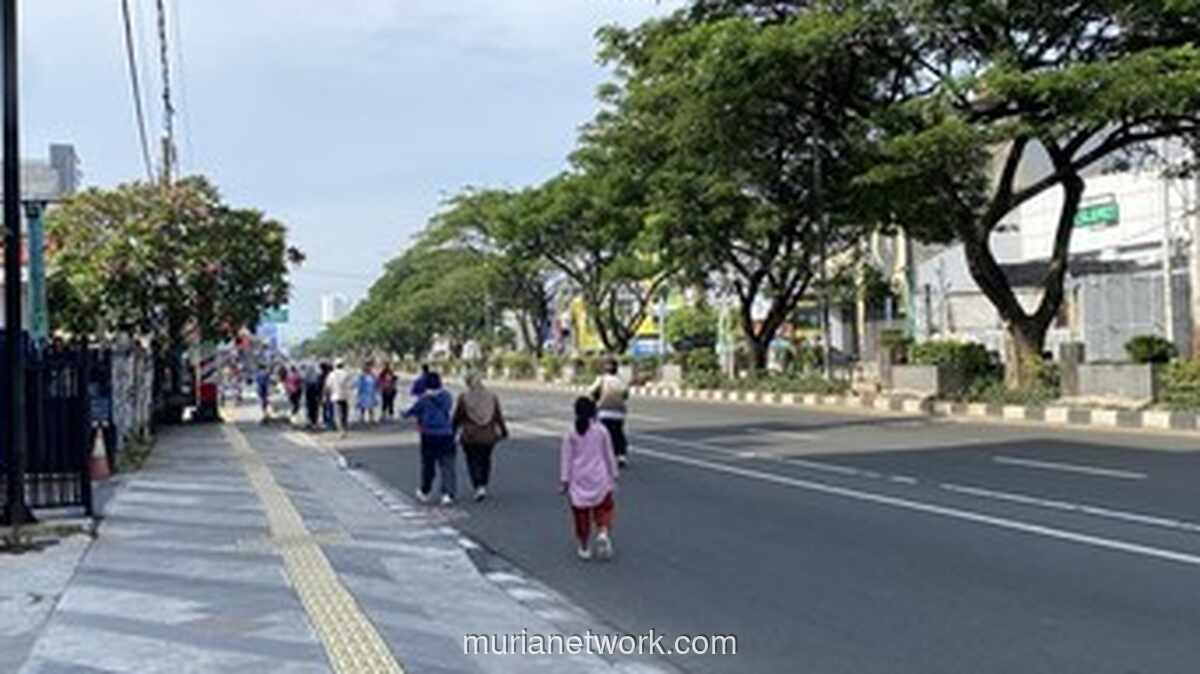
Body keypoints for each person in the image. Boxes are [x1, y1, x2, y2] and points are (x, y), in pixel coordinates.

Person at [560, 397, 618, 561]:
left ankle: (584, 546)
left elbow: (566, 459)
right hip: (599, 477)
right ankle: (603, 531)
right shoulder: (601, 430)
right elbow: (608, 454)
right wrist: (613, 475)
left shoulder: (570, 433)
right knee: (604, 508)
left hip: (579, 479)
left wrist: (565, 481)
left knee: (581, 514)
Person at [452, 371, 508, 501]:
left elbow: (457, 417)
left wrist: (452, 430)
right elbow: (498, 416)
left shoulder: (464, 397)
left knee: (472, 460)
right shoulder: (492, 396)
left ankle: (478, 485)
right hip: (488, 434)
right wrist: (503, 431)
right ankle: (483, 483)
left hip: (470, 435)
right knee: (485, 459)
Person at [403, 372, 457, 505]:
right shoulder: (447, 396)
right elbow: (448, 409)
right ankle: (447, 493)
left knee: (428, 466)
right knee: (447, 465)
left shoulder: (423, 399)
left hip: (429, 435)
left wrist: (404, 413)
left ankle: (425, 491)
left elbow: (411, 411)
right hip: (446, 434)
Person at [590, 359, 630, 467]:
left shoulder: (601, 379)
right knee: (618, 433)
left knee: (603, 435)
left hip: (604, 411)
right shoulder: (621, 381)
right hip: (619, 413)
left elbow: (591, 391)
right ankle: (621, 455)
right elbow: (626, 395)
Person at [324, 360, 355, 437]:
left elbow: (327, 386)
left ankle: (341, 431)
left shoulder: (331, 375)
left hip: (335, 396)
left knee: (338, 414)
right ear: (342, 365)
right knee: (344, 413)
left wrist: (325, 395)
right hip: (345, 396)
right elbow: (351, 385)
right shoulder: (346, 374)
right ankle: (345, 429)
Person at [303, 363, 323, 429]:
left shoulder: (306, 376)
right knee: (314, 409)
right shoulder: (316, 377)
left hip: (308, 396)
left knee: (309, 409)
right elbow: (318, 388)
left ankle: (309, 422)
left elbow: (304, 386)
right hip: (314, 396)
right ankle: (314, 423)